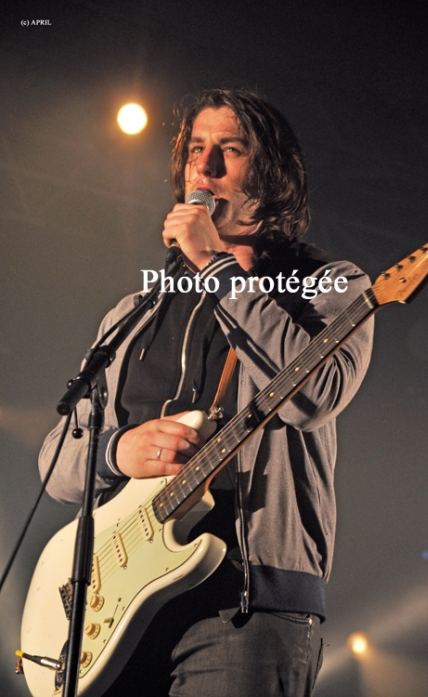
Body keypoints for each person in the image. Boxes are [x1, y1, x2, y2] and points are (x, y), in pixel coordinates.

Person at [39, 89, 374, 697]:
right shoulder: (134, 313)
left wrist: (217, 267)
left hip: (244, 607)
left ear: (270, 176)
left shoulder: (329, 285)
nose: (205, 166)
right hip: (119, 613)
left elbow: (315, 394)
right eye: (196, 149)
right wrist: (117, 450)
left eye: (230, 150)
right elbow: (56, 464)